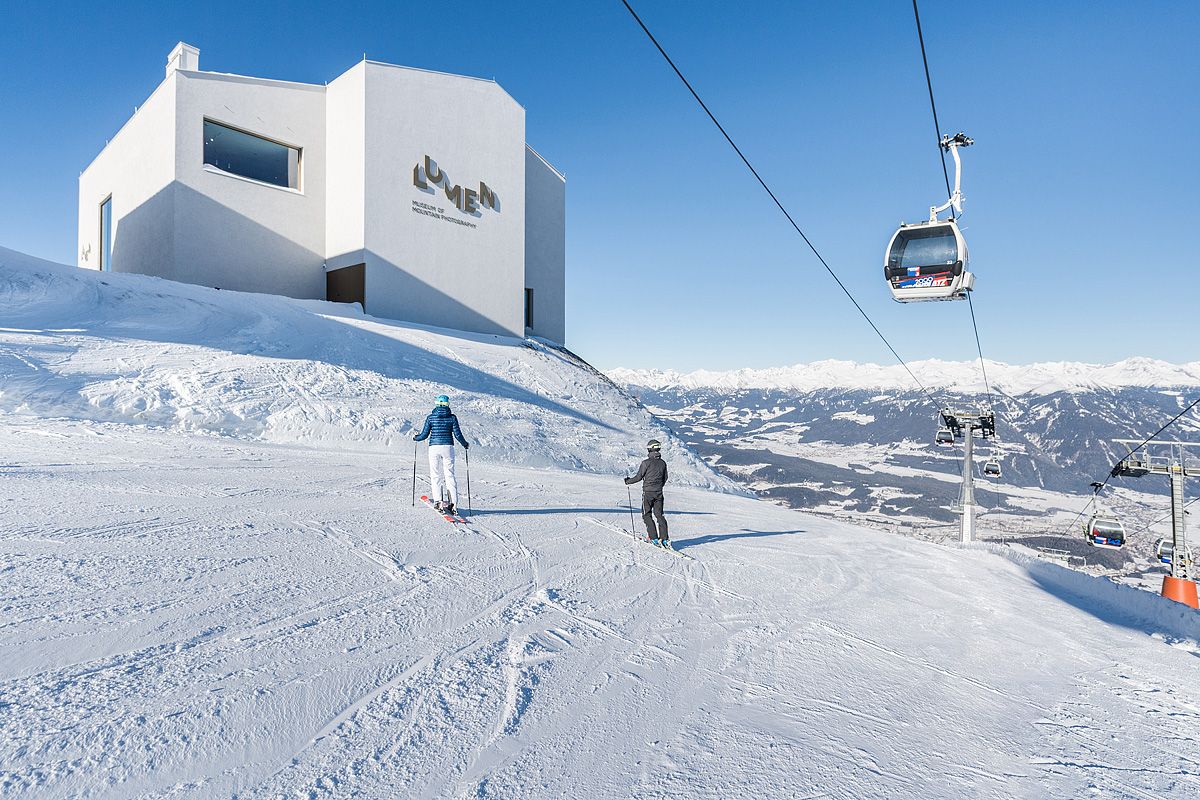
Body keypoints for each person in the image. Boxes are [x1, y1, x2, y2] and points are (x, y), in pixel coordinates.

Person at [413, 394, 470, 514]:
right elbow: (458, 435)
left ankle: (438, 502)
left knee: (435, 475)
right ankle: (453, 504)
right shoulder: (452, 418)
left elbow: (424, 435)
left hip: (434, 447)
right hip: (448, 447)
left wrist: (416, 438)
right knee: (449, 475)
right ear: (447, 404)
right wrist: (465, 444)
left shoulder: (431, 418)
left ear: (436, 404)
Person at [625, 439, 670, 547]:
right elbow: (665, 477)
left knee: (646, 515)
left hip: (648, 493)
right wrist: (659, 486)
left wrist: (628, 481)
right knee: (660, 515)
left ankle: (653, 538)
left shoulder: (646, 463)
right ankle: (664, 539)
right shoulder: (663, 463)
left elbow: (639, 477)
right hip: (659, 492)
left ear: (650, 449)